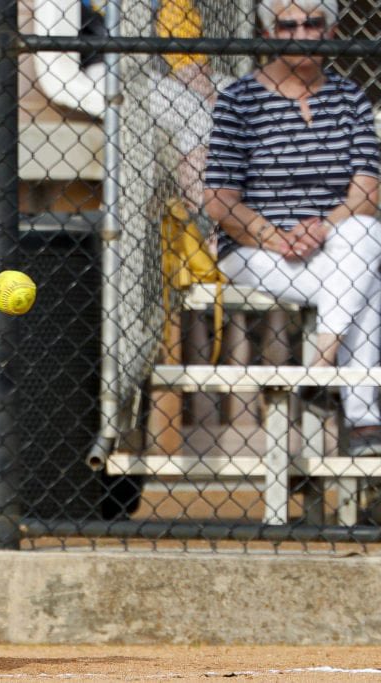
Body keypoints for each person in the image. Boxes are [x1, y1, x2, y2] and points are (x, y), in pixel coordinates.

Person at [203, 0, 381, 456]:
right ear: (269, 34)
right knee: (371, 283)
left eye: (313, 22)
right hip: (254, 249)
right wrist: (274, 235)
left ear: (332, 32)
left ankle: (320, 368)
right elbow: (220, 201)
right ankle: (361, 420)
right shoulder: (240, 100)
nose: (302, 31)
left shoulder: (349, 98)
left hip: (335, 244)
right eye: (288, 25)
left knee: (366, 233)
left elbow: (368, 191)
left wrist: (321, 227)